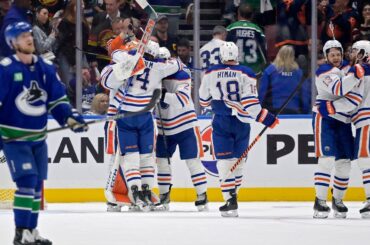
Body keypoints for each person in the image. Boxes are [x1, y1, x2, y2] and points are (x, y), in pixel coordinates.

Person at [0, 21, 88, 245]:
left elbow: (58, 102)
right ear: (13, 43)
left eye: (29, 34)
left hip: (38, 138)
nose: (29, 38)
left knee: (37, 183)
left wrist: (70, 118)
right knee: (27, 181)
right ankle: (21, 233)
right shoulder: (6, 69)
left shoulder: (45, 68)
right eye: (22, 36)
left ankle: (31, 231)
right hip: (14, 139)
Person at [199, 42, 279, 217]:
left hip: (221, 120)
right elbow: (251, 104)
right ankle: (234, 195)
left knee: (224, 161)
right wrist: (267, 119)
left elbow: (203, 100)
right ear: (237, 55)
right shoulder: (247, 72)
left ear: (221, 55)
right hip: (242, 122)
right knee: (239, 162)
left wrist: (213, 102)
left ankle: (230, 200)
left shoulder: (210, 72)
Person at [101, 40, 181, 210]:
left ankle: (134, 193)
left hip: (124, 116)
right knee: (118, 158)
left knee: (129, 157)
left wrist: (123, 57)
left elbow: (108, 75)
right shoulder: (153, 67)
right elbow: (176, 64)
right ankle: (118, 197)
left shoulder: (124, 62)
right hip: (124, 118)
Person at [312, 39, 364, 219]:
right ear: (326, 56)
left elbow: (356, 96)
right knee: (326, 160)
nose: (335, 57)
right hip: (325, 118)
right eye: (332, 54)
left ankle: (338, 200)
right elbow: (339, 88)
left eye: (338, 54)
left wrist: (354, 72)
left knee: (344, 163)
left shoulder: (347, 69)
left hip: (344, 120)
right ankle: (320, 201)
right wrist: (355, 74)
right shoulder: (323, 71)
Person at [155, 47, 208, 211]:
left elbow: (183, 98)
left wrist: (161, 95)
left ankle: (202, 195)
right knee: (162, 162)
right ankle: (164, 196)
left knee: (192, 161)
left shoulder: (182, 74)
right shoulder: (154, 77)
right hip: (164, 126)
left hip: (185, 124)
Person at [258, 45, 307, 114]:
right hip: (294, 110)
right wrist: (305, 111)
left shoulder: (270, 70)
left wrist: (258, 110)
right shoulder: (298, 73)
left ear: (279, 54)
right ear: (293, 56)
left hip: (273, 110)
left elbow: (262, 92)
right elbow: (305, 94)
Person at [226, 3, 267, 75]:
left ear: (238, 14)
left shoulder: (230, 28)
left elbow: (223, 49)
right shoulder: (257, 30)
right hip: (253, 70)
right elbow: (263, 51)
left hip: (234, 71)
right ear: (252, 15)